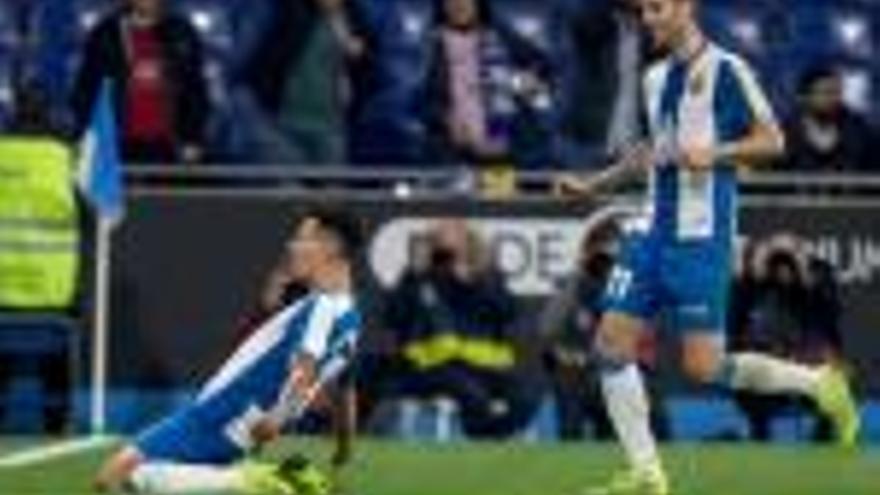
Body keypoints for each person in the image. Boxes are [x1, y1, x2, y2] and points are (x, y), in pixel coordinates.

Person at [556, 1, 859, 493]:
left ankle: (820, 384)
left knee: (704, 367)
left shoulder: (727, 70)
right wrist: (595, 185)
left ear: (685, 7)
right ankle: (647, 473)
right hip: (651, 230)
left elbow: (773, 141)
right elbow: (650, 152)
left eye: (657, 8)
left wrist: (716, 153)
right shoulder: (655, 78)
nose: (649, 19)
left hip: (701, 238)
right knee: (610, 345)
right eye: (644, 10)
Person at [94, 209, 364, 495]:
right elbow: (345, 389)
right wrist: (344, 445)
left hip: (223, 411)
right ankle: (246, 480)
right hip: (242, 423)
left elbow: (305, 365)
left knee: (113, 477)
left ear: (332, 246)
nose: (291, 247)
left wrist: (279, 416)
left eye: (302, 239)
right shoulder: (351, 319)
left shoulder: (321, 307)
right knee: (145, 480)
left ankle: (255, 481)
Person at [382, 218, 533, 438]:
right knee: (472, 393)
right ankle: (487, 441)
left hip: (482, 363)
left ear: (469, 244)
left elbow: (508, 311)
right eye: (441, 243)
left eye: (454, 242)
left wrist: (476, 282)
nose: (448, 250)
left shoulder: (486, 276)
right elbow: (394, 317)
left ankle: (492, 436)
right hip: (431, 365)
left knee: (525, 396)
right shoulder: (418, 277)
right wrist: (415, 277)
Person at [539, 217, 669, 441]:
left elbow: (646, 341)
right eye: (604, 256)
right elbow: (548, 327)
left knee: (641, 396)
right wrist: (579, 275)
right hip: (579, 374)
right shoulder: (577, 285)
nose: (609, 264)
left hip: (621, 372)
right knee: (569, 382)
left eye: (617, 257)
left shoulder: (637, 288)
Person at [730, 235, 843, 442]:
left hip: (808, 362)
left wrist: (803, 270)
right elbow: (735, 319)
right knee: (749, 372)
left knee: (831, 376)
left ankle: (823, 439)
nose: (783, 268)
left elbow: (830, 316)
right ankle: (760, 436)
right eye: (778, 263)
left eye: (788, 262)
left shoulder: (816, 278)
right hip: (767, 366)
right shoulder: (757, 281)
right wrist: (754, 273)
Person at [71, 0, 210, 164]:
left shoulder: (181, 33)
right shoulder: (107, 33)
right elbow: (86, 90)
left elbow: (195, 90)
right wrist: (84, 137)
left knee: (166, 188)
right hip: (117, 143)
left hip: (167, 144)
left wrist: (193, 138)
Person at [422, 0, 555, 168]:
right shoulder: (429, 44)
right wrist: (446, 120)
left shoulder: (500, 36)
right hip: (450, 152)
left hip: (499, 152)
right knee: (453, 188)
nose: (459, 4)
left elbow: (542, 74)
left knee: (498, 190)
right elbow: (421, 98)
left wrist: (520, 83)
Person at [783, 64, 876, 173]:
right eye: (825, 93)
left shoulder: (860, 131)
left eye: (837, 93)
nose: (833, 99)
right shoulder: (785, 133)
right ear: (804, 97)